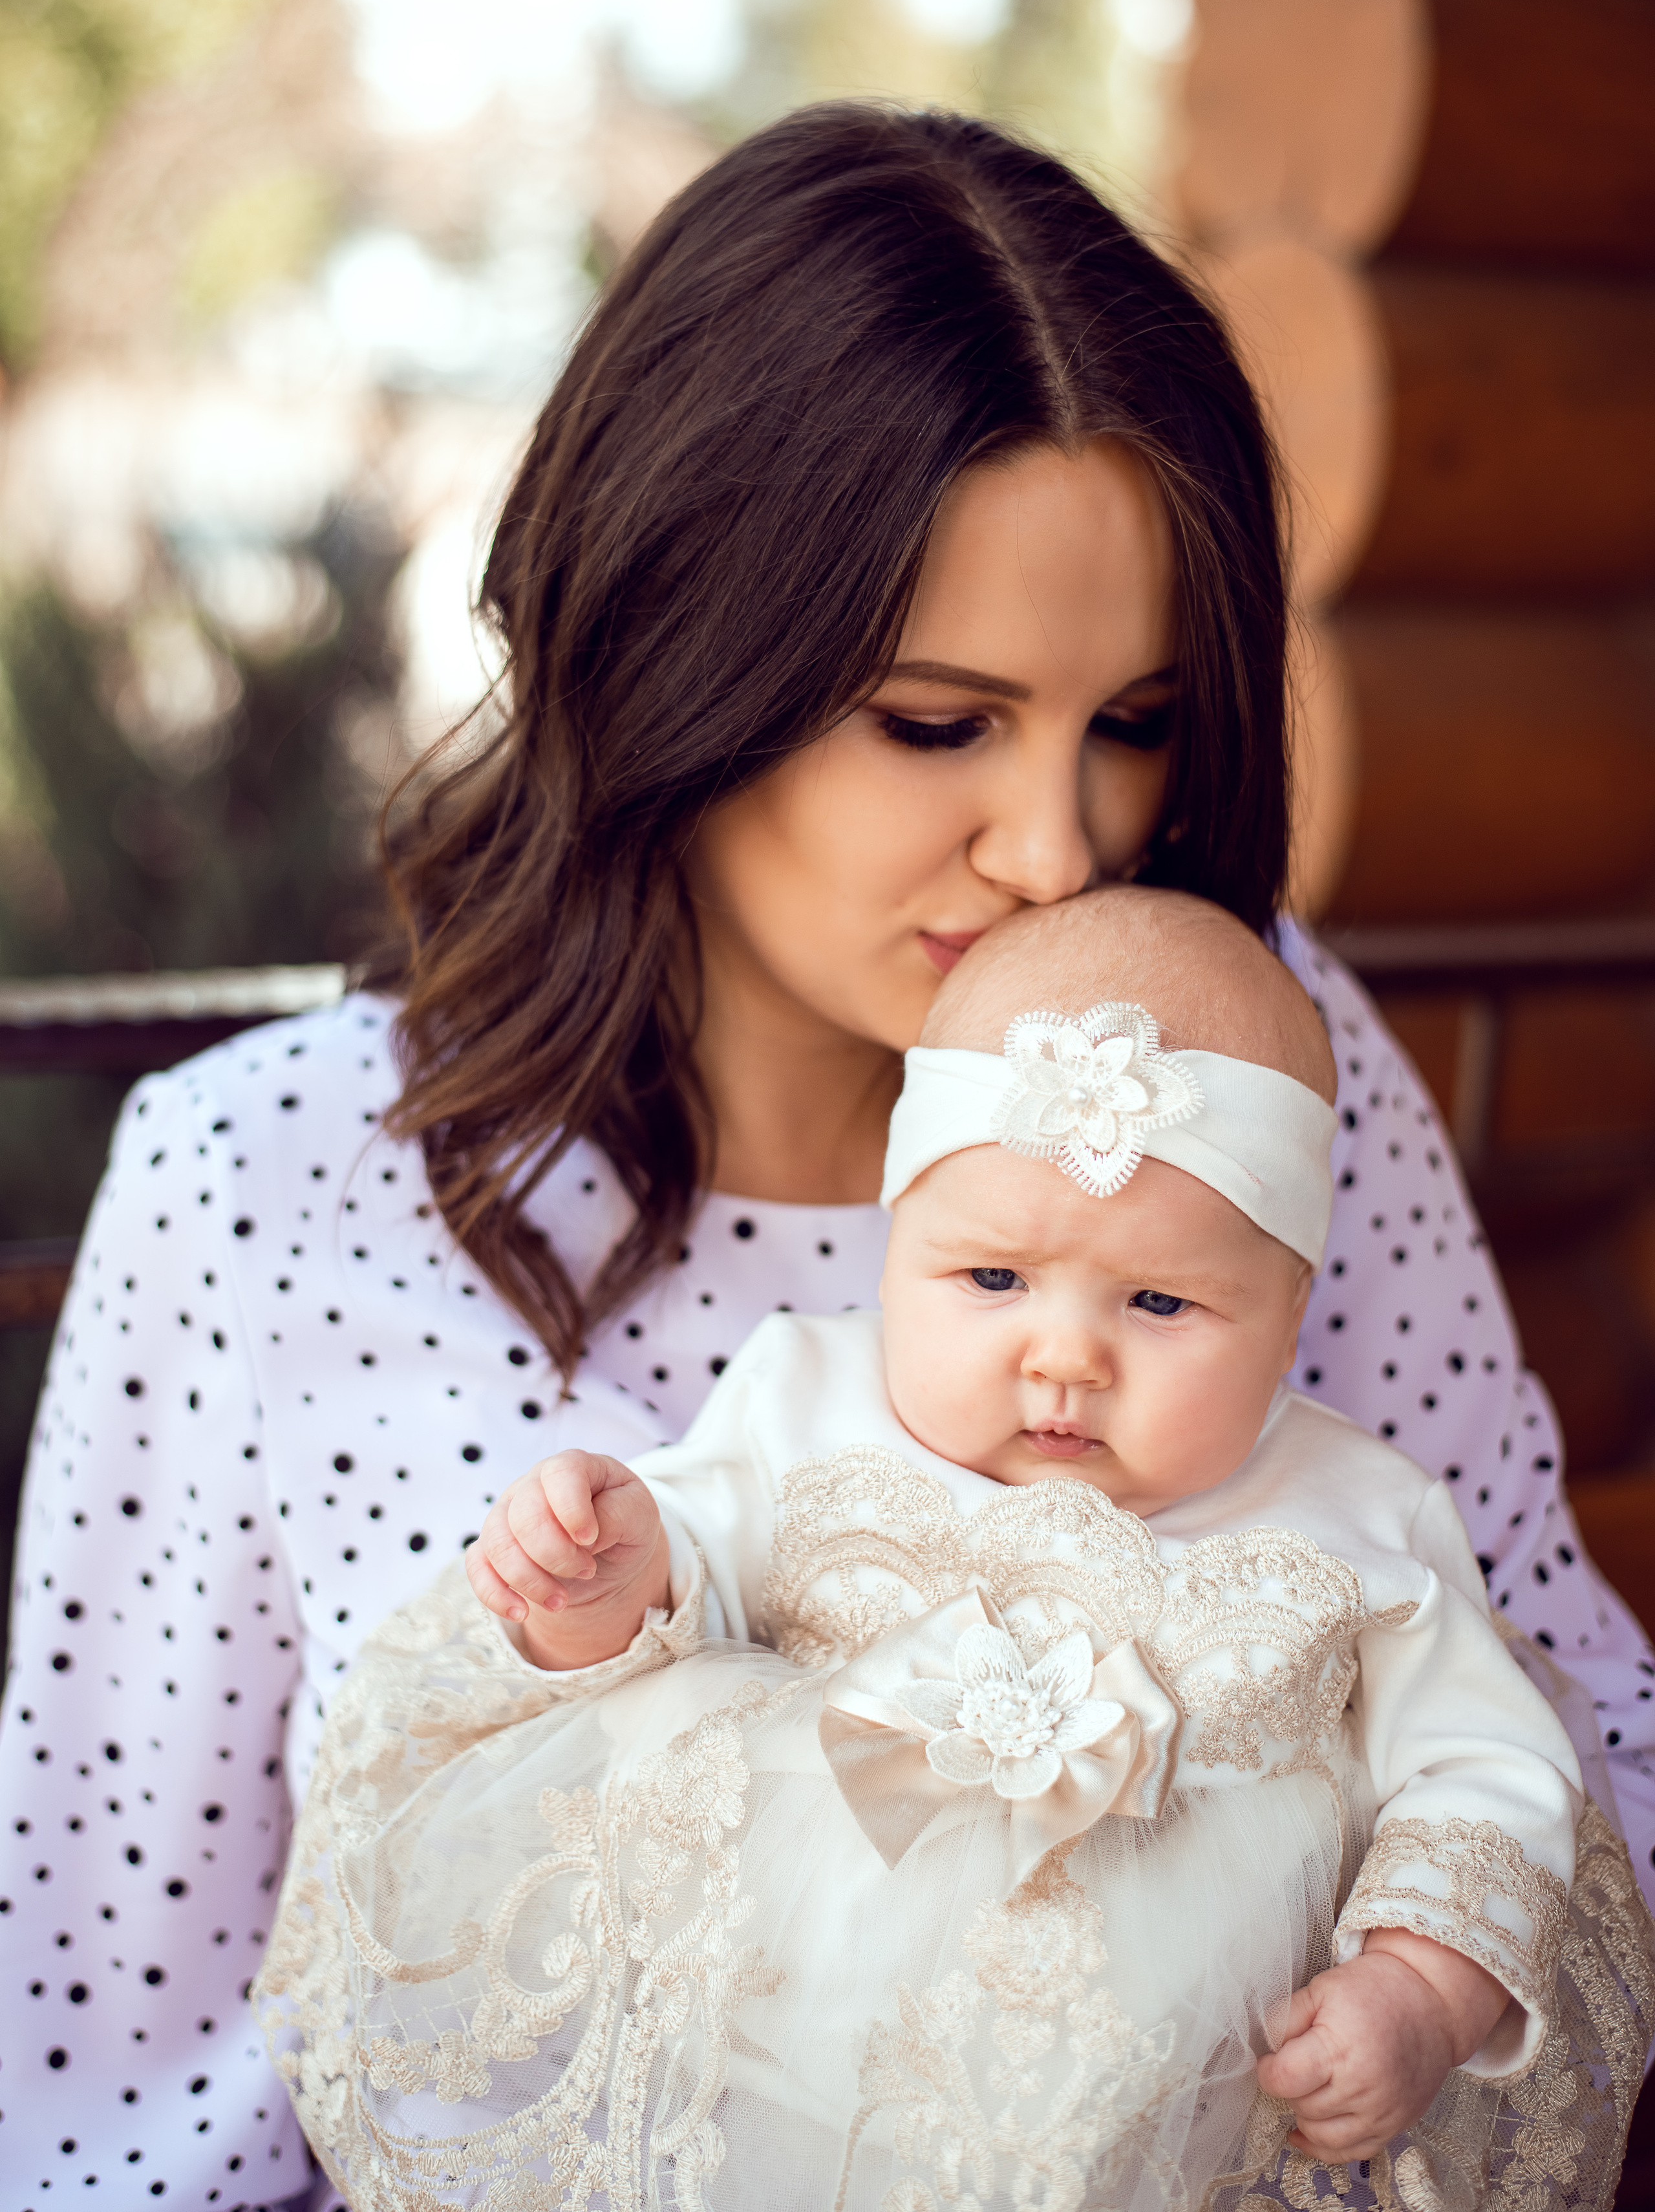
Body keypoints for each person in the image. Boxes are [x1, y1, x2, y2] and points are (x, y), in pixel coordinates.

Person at [3, 105, 1650, 2209]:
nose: (1060, 848)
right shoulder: (256, 1187)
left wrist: (1400, 1997)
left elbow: (1580, 1728)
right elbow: (109, 2073)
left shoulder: (1239, 1062)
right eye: (939, 723)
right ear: (673, 651)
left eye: (1134, 721)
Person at [257, 888, 1631, 2210]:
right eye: (991, 1278)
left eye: (1159, 1302)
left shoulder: (1362, 1518)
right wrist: (604, 1577)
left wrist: (1416, 1988)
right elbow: (686, 1583)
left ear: (1287, 1315)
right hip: (764, 2092)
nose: (1065, 1355)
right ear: (893, 1242)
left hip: (1181, 2135)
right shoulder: (803, 1401)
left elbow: (1488, 1769)